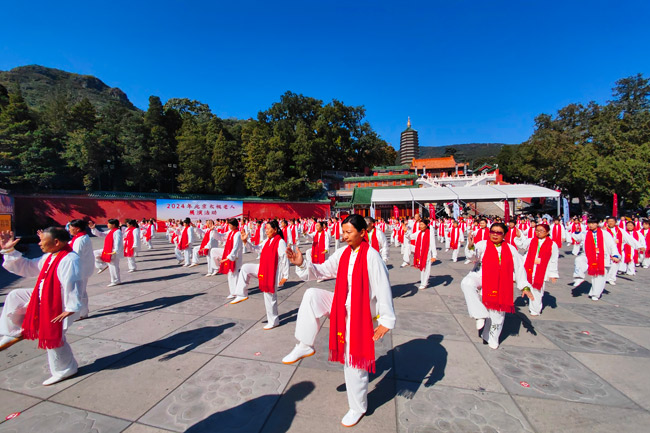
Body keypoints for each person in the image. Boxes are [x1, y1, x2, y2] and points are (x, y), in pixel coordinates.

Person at [283, 215, 395, 427]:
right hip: (341, 304)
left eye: (348, 232)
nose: (344, 236)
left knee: (354, 362)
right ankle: (305, 344)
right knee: (311, 295)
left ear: (362, 233)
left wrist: (385, 320)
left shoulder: (372, 257)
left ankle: (358, 407)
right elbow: (323, 270)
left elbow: (383, 288)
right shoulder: (343, 253)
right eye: (343, 232)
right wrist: (302, 263)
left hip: (359, 314)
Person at [0, 228, 82, 386]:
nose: (39, 243)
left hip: (59, 302)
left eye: (42, 240)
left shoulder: (69, 259)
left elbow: (73, 283)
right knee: (15, 295)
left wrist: (71, 307)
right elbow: (29, 266)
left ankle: (65, 369)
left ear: (56, 242)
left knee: (52, 336)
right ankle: (14, 331)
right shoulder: (51, 256)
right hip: (44, 294)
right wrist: (9, 250)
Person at [461, 223, 531, 349]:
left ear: (504, 235)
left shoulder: (510, 249)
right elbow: (473, 257)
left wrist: (524, 286)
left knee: (497, 315)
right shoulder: (483, 244)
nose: (494, 234)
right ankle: (479, 314)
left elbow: (519, 267)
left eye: (498, 232)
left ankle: (491, 337)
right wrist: (470, 246)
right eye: (492, 231)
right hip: (481, 275)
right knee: (466, 283)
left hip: (500, 282)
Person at [230, 220, 289, 330]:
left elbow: (284, 258)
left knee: (270, 297)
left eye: (268, 229)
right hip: (263, 268)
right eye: (265, 228)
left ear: (275, 230)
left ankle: (274, 320)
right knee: (245, 268)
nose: (266, 231)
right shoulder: (267, 240)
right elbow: (256, 249)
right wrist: (246, 242)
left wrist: (285, 275)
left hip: (272, 271)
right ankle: (241, 293)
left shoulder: (280, 242)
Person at [572, 218, 620, 301]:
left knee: (599, 277)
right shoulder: (585, 233)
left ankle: (595, 294)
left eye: (593, 223)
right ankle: (579, 277)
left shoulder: (605, 234)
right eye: (589, 223)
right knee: (579, 260)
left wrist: (615, 255)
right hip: (588, 255)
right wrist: (576, 231)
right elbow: (577, 237)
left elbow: (612, 245)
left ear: (597, 224)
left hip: (602, 257)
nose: (591, 225)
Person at [517, 223, 559, 315]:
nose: (539, 233)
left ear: (547, 232)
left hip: (542, 270)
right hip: (529, 268)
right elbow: (522, 245)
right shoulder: (531, 240)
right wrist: (519, 237)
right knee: (528, 287)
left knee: (537, 291)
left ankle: (535, 310)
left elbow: (554, 260)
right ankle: (532, 305)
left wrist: (553, 274)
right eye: (537, 230)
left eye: (541, 231)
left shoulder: (552, 244)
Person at [68, 219, 94, 318]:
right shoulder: (79, 238)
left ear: (77, 229)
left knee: (80, 291)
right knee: (81, 291)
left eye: (70, 227)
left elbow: (75, 255)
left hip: (81, 269)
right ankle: (83, 311)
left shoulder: (80, 239)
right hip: (82, 268)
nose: (69, 229)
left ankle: (82, 313)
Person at [213, 218, 244, 298]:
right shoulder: (230, 232)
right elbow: (222, 237)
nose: (229, 226)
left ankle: (235, 292)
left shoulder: (237, 234)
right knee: (230, 273)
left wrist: (229, 257)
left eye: (230, 225)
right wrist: (214, 231)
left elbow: (235, 247)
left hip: (235, 257)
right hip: (230, 254)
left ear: (234, 225)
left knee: (233, 274)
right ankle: (233, 291)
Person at [90, 219, 123, 287]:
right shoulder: (111, 231)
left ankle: (116, 281)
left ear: (113, 225)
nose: (107, 225)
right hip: (108, 250)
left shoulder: (117, 232)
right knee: (95, 253)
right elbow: (101, 234)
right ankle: (102, 265)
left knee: (113, 266)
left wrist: (116, 251)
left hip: (113, 251)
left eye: (108, 223)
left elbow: (118, 241)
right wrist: (94, 229)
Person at [412, 219, 437, 289]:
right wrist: (405, 232)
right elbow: (410, 236)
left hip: (427, 254)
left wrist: (434, 255)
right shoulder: (418, 233)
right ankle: (423, 282)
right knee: (422, 269)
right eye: (420, 224)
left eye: (422, 224)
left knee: (426, 269)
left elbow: (433, 244)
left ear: (426, 225)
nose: (420, 226)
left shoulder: (430, 233)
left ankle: (424, 283)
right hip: (420, 253)